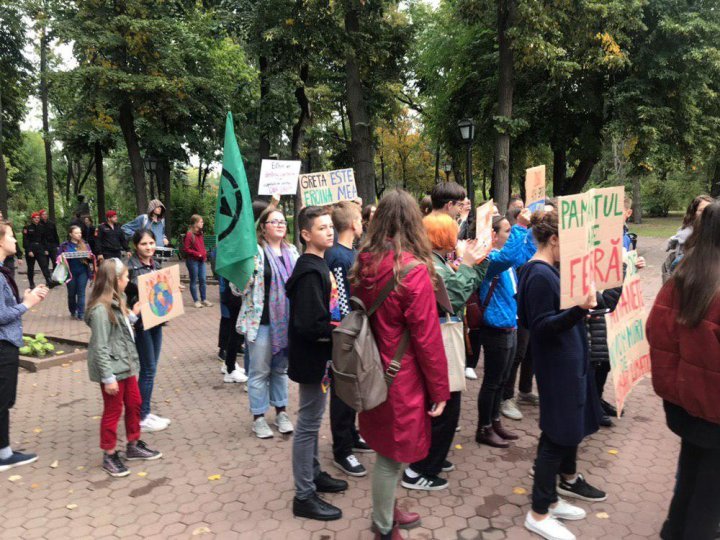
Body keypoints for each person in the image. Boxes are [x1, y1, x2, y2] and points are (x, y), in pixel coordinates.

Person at [350, 190, 450, 539]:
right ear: (413, 222)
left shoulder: (364, 261)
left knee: (386, 446)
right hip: (400, 374)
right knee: (392, 457)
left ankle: (388, 508)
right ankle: (382, 526)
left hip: (372, 368)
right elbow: (427, 337)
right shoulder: (412, 270)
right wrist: (440, 388)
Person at [517, 209, 607, 540]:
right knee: (556, 439)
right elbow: (539, 327)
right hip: (557, 368)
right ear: (554, 239)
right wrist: (577, 311)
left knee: (559, 434)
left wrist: (582, 307)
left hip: (565, 363)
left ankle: (551, 501)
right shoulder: (539, 274)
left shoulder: (545, 270)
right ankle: (538, 513)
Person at [647, 201, 720, 540]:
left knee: (690, 476)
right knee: (709, 498)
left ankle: (673, 531)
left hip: (686, 405)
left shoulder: (683, 276)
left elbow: (656, 330)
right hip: (712, 410)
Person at [401, 213, 488, 492]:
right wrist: (467, 264)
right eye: (453, 233)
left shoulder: (435, 262)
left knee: (445, 403)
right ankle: (421, 469)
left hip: (440, 339)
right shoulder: (432, 267)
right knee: (446, 405)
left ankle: (431, 457)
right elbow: (456, 298)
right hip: (439, 340)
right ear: (444, 238)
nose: (458, 238)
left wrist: (476, 264)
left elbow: (467, 285)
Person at [285, 206, 347, 521]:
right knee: (308, 424)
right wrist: (341, 330)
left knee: (314, 417)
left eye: (329, 226)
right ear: (306, 234)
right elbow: (309, 324)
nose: (329, 231)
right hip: (313, 359)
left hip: (321, 358)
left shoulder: (318, 265)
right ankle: (304, 495)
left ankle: (314, 474)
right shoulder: (310, 271)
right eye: (321, 228)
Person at [85, 259, 162, 477]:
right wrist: (108, 377)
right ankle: (109, 454)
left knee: (135, 403)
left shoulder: (119, 299)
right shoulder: (101, 309)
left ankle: (133, 444)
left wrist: (135, 314)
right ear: (115, 280)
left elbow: (123, 329)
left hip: (126, 365)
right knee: (113, 410)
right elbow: (100, 346)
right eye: (126, 277)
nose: (129, 280)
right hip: (113, 369)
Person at [237, 207, 298, 439]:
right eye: (274, 221)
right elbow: (237, 289)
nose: (281, 224)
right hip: (261, 322)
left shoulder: (292, 252)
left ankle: (281, 412)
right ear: (263, 227)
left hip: (285, 322)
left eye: (283, 221)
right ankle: (259, 418)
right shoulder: (254, 254)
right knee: (259, 371)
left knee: (280, 370)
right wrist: (247, 274)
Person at [475, 210, 535, 445]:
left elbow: (527, 253)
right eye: (507, 231)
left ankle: (496, 421)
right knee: (491, 381)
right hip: (495, 328)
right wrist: (520, 225)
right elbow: (510, 256)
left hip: (510, 325)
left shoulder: (505, 257)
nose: (511, 235)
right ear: (493, 235)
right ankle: (484, 428)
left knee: (502, 379)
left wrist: (529, 231)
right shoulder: (488, 259)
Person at [325, 202, 372, 478]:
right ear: (354, 224)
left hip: (351, 329)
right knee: (342, 391)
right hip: (345, 332)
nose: (362, 223)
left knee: (351, 387)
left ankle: (351, 434)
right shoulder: (339, 257)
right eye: (359, 219)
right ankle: (342, 450)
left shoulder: (349, 253)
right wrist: (349, 328)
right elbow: (341, 299)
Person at [0, 220, 48, 471]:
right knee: (2, 400)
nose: (15, 240)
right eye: (10, 235)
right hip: (3, 344)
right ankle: (3, 455)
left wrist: (26, 298)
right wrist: (27, 304)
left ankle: (4, 450)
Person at [125, 229, 170, 433]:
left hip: (156, 322)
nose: (149, 247)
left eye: (152, 243)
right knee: (148, 369)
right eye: (144, 244)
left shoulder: (157, 265)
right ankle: (141, 416)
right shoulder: (130, 269)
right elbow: (131, 294)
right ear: (136, 246)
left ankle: (145, 411)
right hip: (140, 324)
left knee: (151, 369)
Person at [663, 194, 713, 281]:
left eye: (709, 210)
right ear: (693, 213)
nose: (706, 213)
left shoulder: (714, 231)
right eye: (701, 210)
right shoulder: (686, 236)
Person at [58, 225, 94, 320]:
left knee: (81, 293)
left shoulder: (85, 244)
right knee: (71, 294)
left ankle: (81, 313)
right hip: (70, 273)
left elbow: (90, 258)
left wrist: (90, 257)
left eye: (80, 233)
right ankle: (73, 311)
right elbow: (57, 259)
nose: (79, 235)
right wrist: (62, 257)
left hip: (83, 272)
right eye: (76, 233)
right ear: (71, 234)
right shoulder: (65, 246)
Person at [217, 276, 248, 383]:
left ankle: (230, 364)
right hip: (234, 296)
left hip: (233, 294)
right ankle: (230, 369)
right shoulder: (234, 260)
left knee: (235, 333)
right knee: (235, 333)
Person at [183, 215, 212, 309]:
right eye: (201, 222)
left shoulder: (200, 233)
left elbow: (201, 246)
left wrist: (204, 254)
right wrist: (198, 254)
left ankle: (204, 299)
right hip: (192, 261)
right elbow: (186, 249)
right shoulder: (189, 234)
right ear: (195, 223)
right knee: (194, 280)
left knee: (203, 279)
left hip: (201, 261)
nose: (202, 223)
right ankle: (196, 301)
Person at [23, 212, 53, 288]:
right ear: (32, 219)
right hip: (31, 248)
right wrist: (29, 250)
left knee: (44, 265)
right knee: (30, 267)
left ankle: (48, 280)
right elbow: (25, 240)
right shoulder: (27, 227)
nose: (37, 219)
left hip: (40, 248)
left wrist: (46, 249)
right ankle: (31, 283)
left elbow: (44, 239)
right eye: (35, 218)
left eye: (38, 218)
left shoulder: (42, 227)